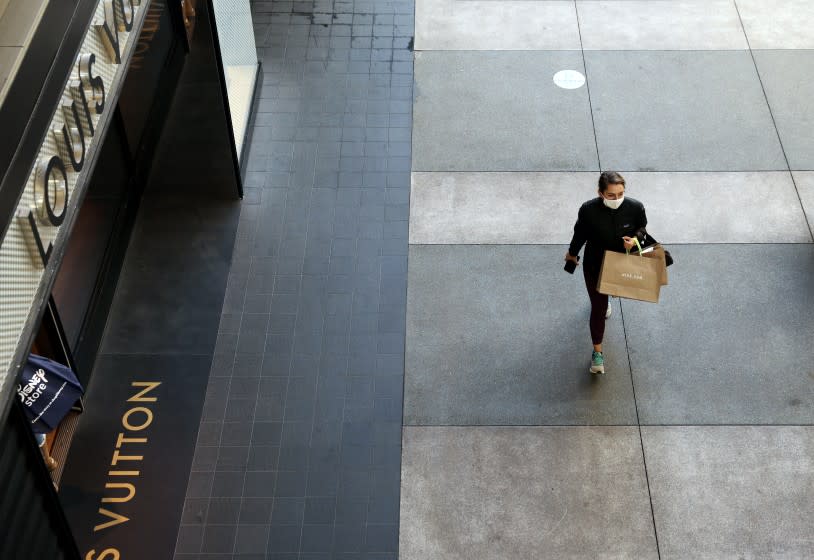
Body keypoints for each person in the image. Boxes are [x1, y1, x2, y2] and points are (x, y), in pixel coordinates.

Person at [564, 171, 647, 374]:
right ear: (600, 193)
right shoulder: (588, 210)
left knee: (604, 298)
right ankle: (597, 353)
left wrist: (635, 239)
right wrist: (572, 254)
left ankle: (606, 298)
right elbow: (580, 234)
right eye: (611, 195)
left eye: (621, 194)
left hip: (621, 263)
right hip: (595, 264)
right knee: (598, 309)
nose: (617, 199)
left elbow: (642, 228)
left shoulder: (635, 207)